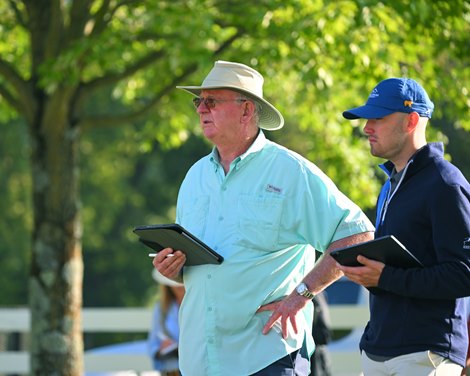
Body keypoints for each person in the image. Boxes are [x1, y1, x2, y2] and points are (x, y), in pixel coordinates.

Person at [152, 60, 374, 376]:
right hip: (201, 359)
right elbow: (203, 270)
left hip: (267, 357)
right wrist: (172, 269)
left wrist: (302, 294)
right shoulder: (194, 177)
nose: (201, 109)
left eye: (211, 101)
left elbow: (357, 234)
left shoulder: (291, 172)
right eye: (198, 101)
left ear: (246, 111)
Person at [340, 77, 470, 375]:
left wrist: (385, 277)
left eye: (378, 118)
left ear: (411, 121)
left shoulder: (445, 183)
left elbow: (464, 273)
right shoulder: (390, 184)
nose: (366, 128)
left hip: (425, 354)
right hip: (377, 350)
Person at [147, 269, 185, 376]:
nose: (178, 287)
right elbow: (152, 343)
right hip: (172, 370)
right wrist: (161, 350)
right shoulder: (161, 308)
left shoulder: (200, 304)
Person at [310, 291, 333, 376]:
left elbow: (324, 335)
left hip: (314, 354)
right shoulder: (318, 292)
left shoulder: (311, 292)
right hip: (317, 353)